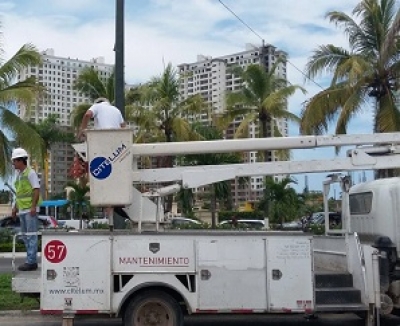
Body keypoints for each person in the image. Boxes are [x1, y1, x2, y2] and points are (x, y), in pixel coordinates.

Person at [77, 97, 126, 224]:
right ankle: (112, 204)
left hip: (103, 141)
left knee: (102, 174)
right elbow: (123, 127)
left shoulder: (98, 106)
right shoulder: (116, 110)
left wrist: (82, 130)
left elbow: (87, 114)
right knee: (112, 175)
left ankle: (108, 204)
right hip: (117, 144)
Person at [11, 148, 42, 271]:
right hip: (23, 209)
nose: (13, 164)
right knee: (25, 236)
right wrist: (14, 208)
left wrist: (33, 206)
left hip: (30, 210)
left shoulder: (31, 173)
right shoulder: (19, 176)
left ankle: (31, 262)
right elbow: (18, 194)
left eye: (14, 161)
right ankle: (30, 260)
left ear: (21, 161)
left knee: (31, 236)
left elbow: (36, 190)